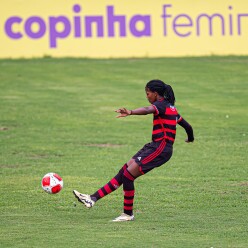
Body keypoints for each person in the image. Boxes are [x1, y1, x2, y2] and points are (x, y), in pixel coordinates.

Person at [73, 79, 194, 222]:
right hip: (154, 146)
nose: (147, 96)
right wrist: (190, 138)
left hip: (160, 149)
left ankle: (128, 214)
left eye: (148, 93)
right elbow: (187, 126)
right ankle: (92, 198)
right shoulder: (171, 108)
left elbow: (148, 110)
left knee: (129, 176)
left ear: (155, 94)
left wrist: (130, 112)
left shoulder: (160, 106)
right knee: (124, 171)